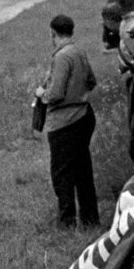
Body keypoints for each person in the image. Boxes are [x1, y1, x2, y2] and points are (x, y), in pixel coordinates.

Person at [34, 14, 100, 229]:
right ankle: (90, 219)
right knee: (83, 170)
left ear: (53, 33)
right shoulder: (79, 51)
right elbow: (91, 81)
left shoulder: (61, 56)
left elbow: (56, 94)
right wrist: (78, 92)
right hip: (84, 114)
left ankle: (67, 221)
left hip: (64, 121)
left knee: (61, 173)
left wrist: (41, 92)